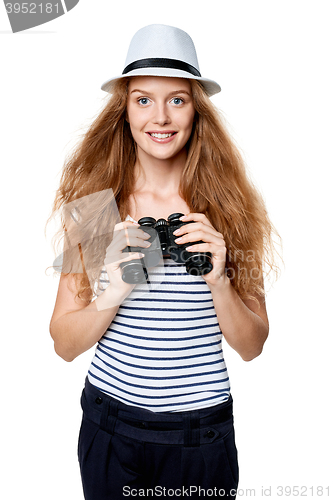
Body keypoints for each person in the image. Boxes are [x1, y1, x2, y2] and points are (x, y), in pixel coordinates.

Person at [47, 24, 280, 499]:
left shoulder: (229, 207)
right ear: (125, 111)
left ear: (196, 110)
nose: (161, 116)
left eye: (177, 99)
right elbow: (64, 345)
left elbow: (253, 345)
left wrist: (219, 281)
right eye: (143, 99)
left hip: (202, 436)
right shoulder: (97, 205)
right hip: (110, 426)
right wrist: (112, 292)